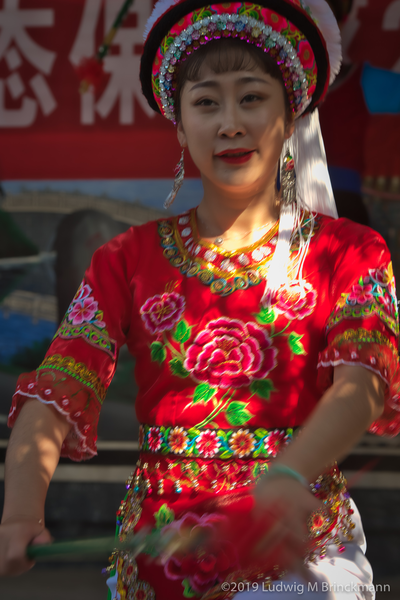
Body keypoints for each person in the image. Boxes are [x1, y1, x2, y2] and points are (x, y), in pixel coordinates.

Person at [1, 1, 400, 599]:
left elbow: (364, 382)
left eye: (252, 98)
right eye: (207, 102)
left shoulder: (349, 252)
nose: (230, 123)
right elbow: (56, 391)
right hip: (159, 558)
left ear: (291, 115)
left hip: (298, 556)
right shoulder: (126, 258)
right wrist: (19, 513)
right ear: (180, 124)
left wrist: (290, 474)